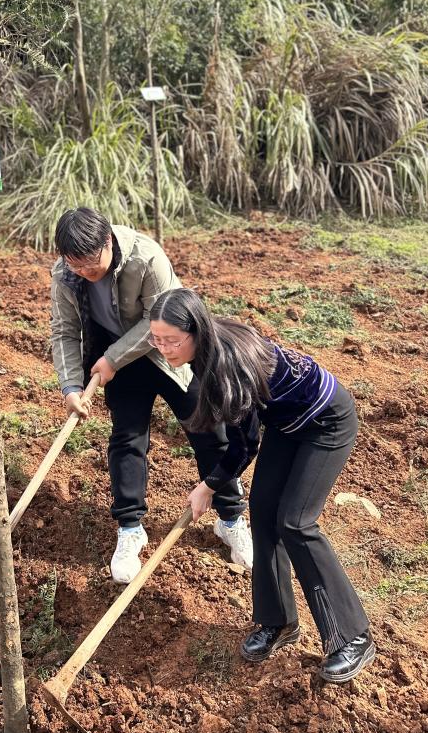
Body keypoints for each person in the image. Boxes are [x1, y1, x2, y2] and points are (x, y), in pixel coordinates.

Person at [149, 287, 375, 683]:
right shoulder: (204, 355)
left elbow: (244, 444)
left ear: (196, 332)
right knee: (265, 513)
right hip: (287, 425)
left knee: (296, 522)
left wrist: (209, 485)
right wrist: (212, 483)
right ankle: (278, 622)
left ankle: (352, 637)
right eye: (157, 339)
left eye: (171, 340)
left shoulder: (226, 364)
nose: (164, 349)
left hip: (326, 422)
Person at [50, 207, 254, 584]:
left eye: (91, 265)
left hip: (171, 354)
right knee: (127, 439)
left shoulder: (146, 257)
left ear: (108, 241)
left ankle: (230, 519)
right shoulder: (66, 274)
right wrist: (72, 386)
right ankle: (130, 529)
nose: (84, 273)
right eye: (75, 265)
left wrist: (110, 359)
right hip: (120, 364)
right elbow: (64, 331)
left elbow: (155, 325)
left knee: (210, 432)